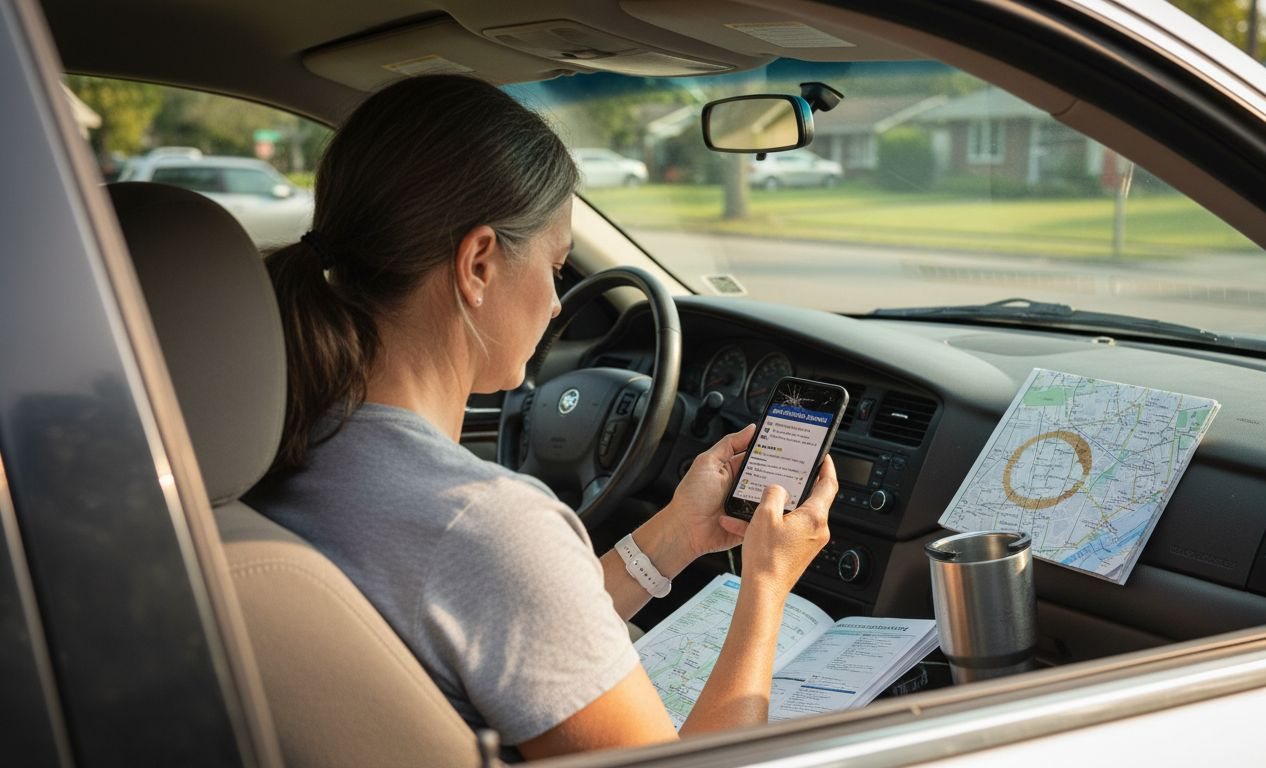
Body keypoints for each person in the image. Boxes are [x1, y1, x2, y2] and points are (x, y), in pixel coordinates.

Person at [244, 74, 836, 761]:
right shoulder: (483, 523)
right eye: (557, 267)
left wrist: (678, 533)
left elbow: (508, 622)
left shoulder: (292, 442)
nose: (558, 305)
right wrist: (767, 585)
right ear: (479, 264)